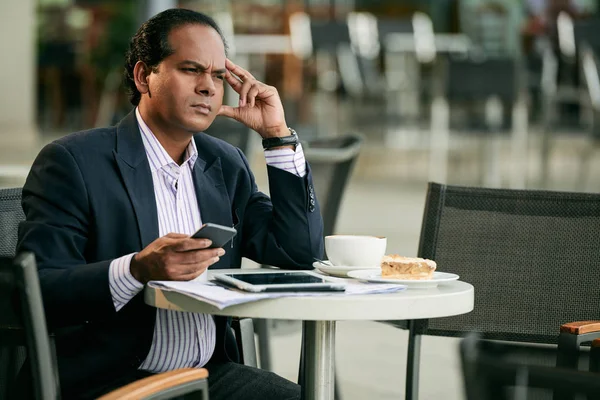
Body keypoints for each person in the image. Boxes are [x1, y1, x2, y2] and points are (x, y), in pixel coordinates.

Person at [17, 8, 323, 400]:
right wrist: (137, 269)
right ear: (144, 75)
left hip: (208, 377)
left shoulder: (224, 164)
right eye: (191, 70)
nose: (208, 88)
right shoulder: (74, 162)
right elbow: (39, 291)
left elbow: (301, 253)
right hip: (109, 382)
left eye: (216, 75)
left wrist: (278, 136)